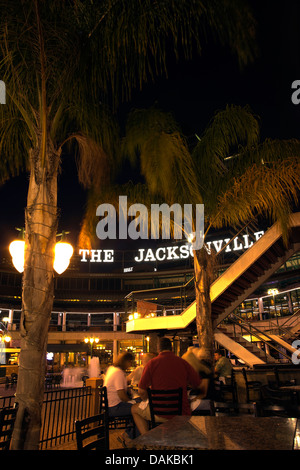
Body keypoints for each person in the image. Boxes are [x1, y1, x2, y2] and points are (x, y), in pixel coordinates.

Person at [131, 337, 205, 435]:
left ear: (158, 350)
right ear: (172, 348)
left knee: (134, 409)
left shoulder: (151, 363)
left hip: (158, 412)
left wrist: (146, 400)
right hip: (180, 412)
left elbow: (141, 391)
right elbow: (198, 384)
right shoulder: (183, 362)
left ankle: (147, 439)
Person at [103, 351, 136, 442]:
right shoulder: (118, 373)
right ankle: (129, 436)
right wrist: (131, 401)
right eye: (130, 362)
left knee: (137, 407)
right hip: (115, 406)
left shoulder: (112, 369)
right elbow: (121, 395)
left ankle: (129, 433)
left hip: (108, 406)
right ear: (126, 361)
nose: (130, 364)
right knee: (139, 410)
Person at [182, 346, 215, 412]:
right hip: (202, 399)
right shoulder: (199, 370)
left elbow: (204, 394)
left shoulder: (203, 372)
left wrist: (191, 400)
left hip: (207, 402)